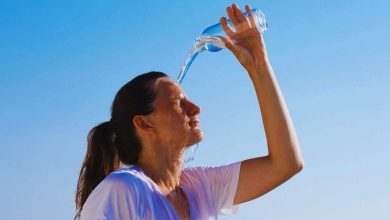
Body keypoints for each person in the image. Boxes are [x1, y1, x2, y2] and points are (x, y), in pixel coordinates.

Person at [75, 3, 304, 220]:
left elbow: (286, 164)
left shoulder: (199, 187)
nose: (195, 108)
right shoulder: (125, 189)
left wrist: (259, 66)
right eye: (178, 102)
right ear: (145, 124)